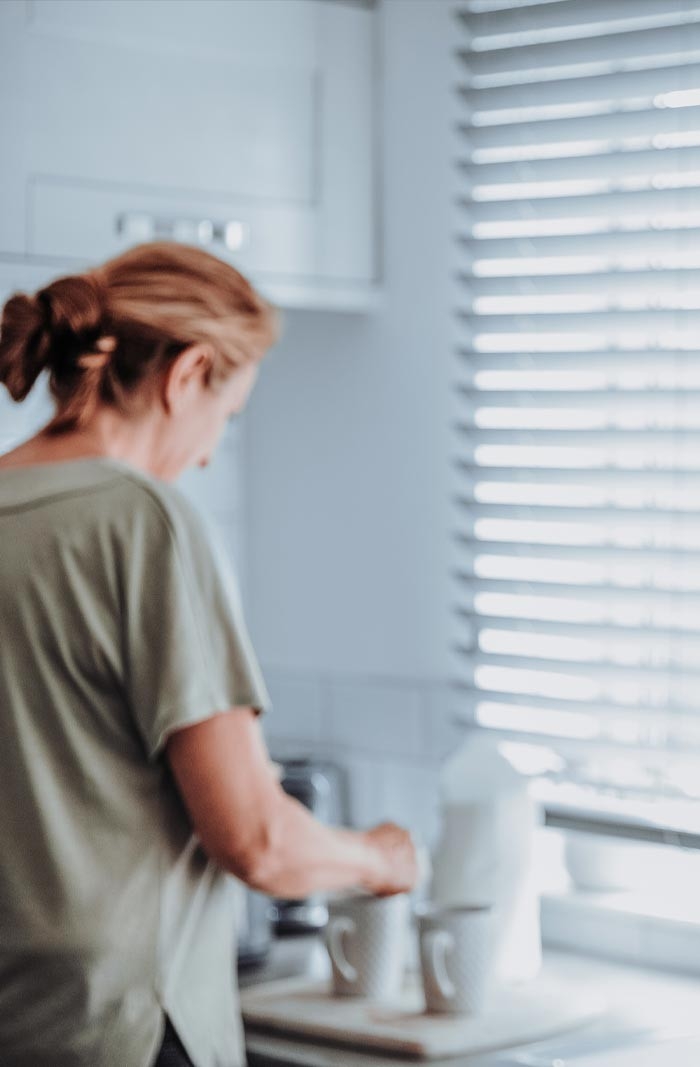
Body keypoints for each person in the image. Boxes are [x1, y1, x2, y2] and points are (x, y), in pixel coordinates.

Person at [0, 243, 419, 1067]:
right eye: (226, 415)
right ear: (186, 373)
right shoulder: (144, 523)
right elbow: (256, 840)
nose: (207, 453)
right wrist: (379, 857)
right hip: (124, 1028)